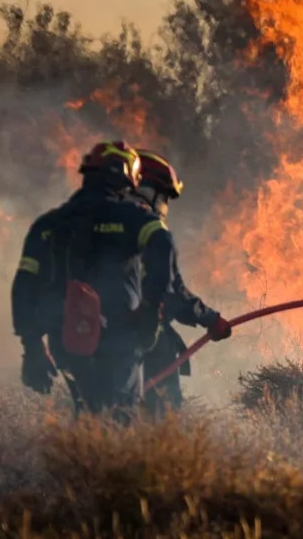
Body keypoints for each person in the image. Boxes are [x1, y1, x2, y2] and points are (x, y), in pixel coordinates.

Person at [9, 141, 229, 417]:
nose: (163, 207)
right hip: (120, 337)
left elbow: (25, 288)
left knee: (89, 413)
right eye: (163, 198)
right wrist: (180, 317)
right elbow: (170, 284)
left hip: (66, 339)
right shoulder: (134, 221)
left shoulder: (51, 223)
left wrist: (31, 347)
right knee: (127, 416)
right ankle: (136, 452)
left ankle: (86, 454)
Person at [130, 148, 229, 415]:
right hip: (143, 334)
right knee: (161, 411)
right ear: (147, 190)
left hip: (92, 336)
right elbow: (171, 291)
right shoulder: (146, 227)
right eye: (163, 197)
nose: (164, 206)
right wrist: (209, 318)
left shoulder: (95, 222)